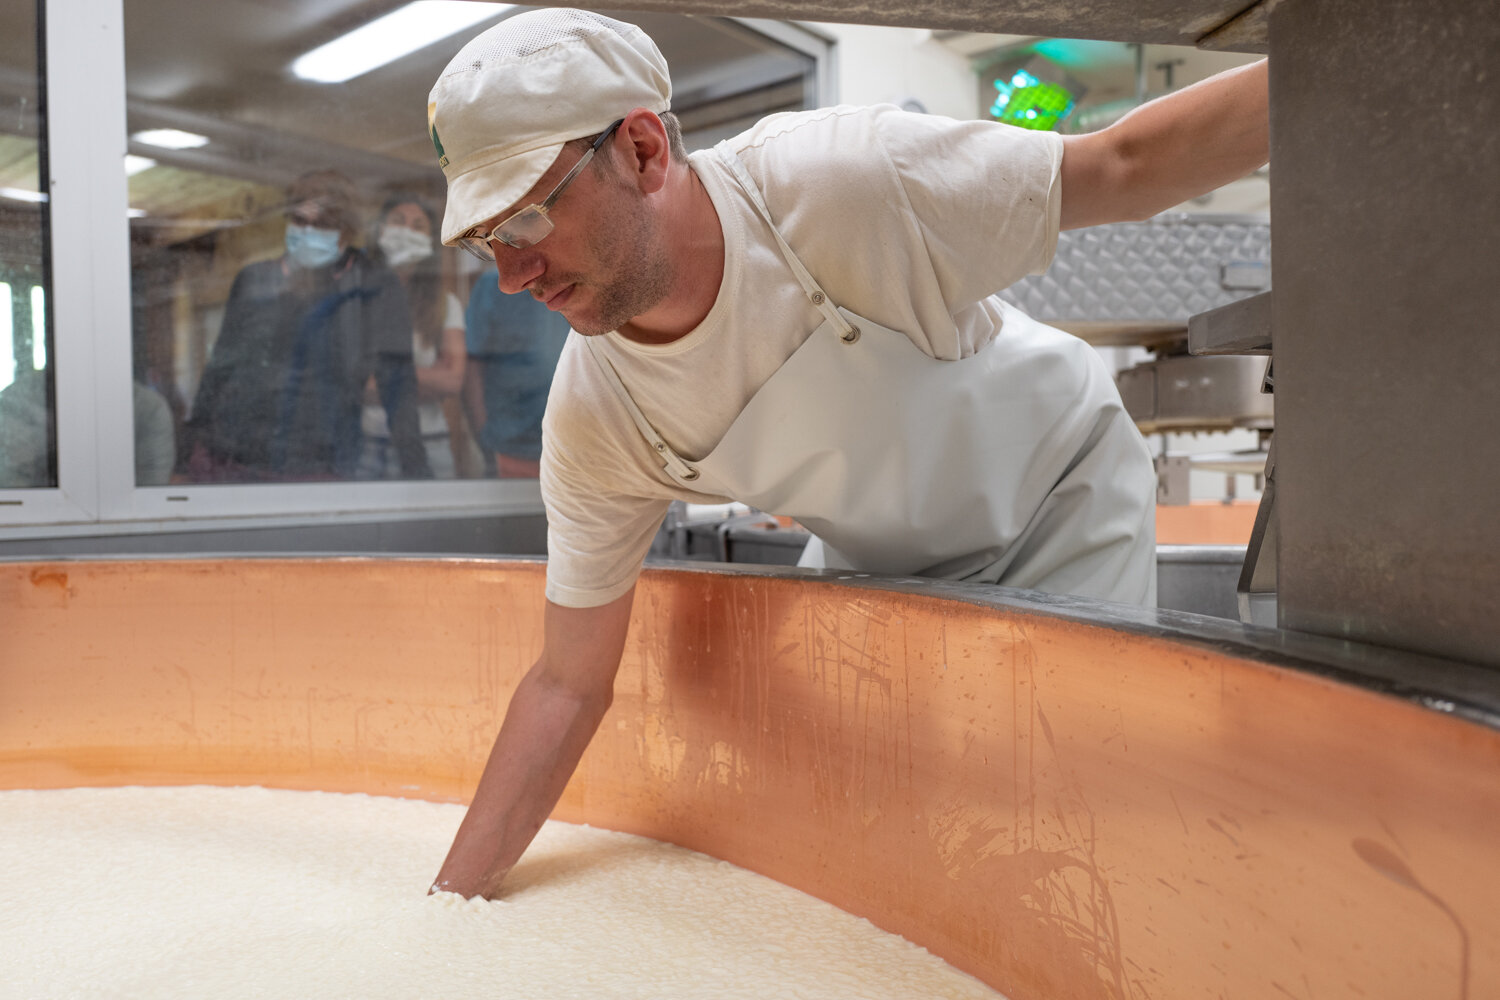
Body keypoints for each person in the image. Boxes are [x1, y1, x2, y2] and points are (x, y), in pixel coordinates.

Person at [423, 9, 1269, 899]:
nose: (512, 278)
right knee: (880, 844)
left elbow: (1121, 168)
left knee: (1059, 827)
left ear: (640, 149)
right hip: (881, 561)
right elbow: (567, 683)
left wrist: (1363, 49)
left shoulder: (841, 183)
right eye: (487, 245)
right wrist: (451, 911)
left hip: (1059, 505)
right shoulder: (600, 414)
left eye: (525, 222)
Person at [184, 170, 429, 482]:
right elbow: (219, 370)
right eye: (300, 221)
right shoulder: (257, 280)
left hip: (326, 458)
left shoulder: (372, 286)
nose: (309, 231)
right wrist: (186, 455)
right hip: (240, 454)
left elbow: (399, 386)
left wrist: (418, 472)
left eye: (323, 224)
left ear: (346, 230)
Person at [359, 193, 472, 480]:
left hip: (430, 440)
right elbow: (353, 382)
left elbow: (453, 380)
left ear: (430, 239)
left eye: (418, 225)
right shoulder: (358, 298)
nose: (407, 231)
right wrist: (423, 378)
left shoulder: (445, 303)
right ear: (381, 229)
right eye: (398, 221)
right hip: (368, 439)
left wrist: (385, 379)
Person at [461, 267, 571, 478]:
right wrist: (485, 438)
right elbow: (474, 366)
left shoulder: (575, 277)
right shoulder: (493, 283)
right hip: (508, 443)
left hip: (571, 446)